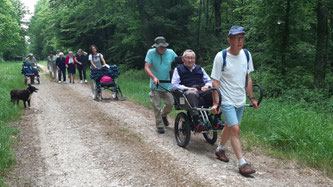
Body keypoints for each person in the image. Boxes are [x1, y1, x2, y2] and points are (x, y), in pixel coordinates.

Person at [211, 26, 259, 176]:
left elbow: (248, 78)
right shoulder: (221, 56)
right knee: (235, 130)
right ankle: (242, 163)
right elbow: (215, 82)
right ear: (229, 40)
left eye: (242, 38)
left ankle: (219, 149)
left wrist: (252, 97)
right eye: (237, 38)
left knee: (229, 126)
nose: (240, 41)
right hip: (227, 100)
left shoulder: (246, 54)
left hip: (240, 99)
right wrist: (216, 103)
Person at [171, 49, 223, 131]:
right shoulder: (178, 69)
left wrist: (206, 86)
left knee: (215, 92)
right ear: (183, 59)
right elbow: (174, 85)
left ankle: (217, 118)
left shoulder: (200, 69)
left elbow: (209, 81)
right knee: (192, 93)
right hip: (187, 93)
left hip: (201, 90)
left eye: (192, 58)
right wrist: (188, 88)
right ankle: (197, 120)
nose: (190, 60)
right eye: (187, 58)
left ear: (195, 59)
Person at [144, 36, 177, 134]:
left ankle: (164, 115)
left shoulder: (170, 52)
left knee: (170, 104)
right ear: (156, 47)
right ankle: (159, 125)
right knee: (156, 106)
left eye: (164, 47)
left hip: (168, 84)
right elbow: (147, 67)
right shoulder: (150, 53)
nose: (162, 49)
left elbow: (179, 62)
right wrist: (153, 77)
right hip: (156, 85)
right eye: (160, 47)